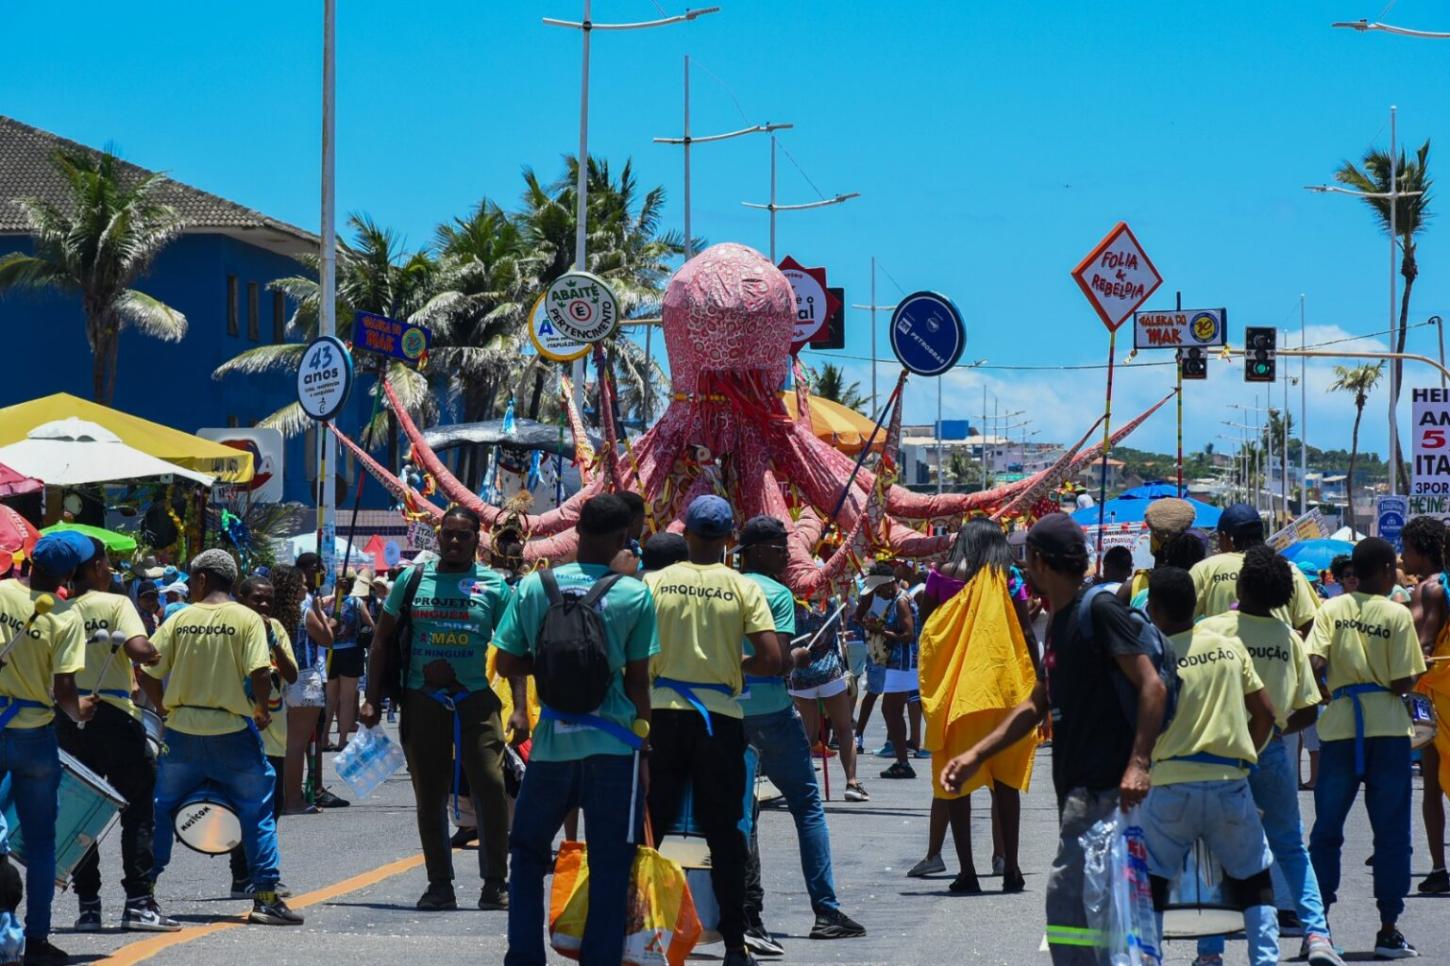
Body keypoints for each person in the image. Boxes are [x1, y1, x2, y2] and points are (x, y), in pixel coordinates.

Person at [938, 513, 1166, 965]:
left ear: (1040, 561)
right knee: (1077, 922)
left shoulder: (1098, 612)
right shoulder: (1061, 621)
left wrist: (1138, 763)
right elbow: (1034, 704)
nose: (1022, 565)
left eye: (1026, 557)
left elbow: (1152, 686)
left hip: (1110, 797)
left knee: (1107, 923)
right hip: (1078, 796)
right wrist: (974, 755)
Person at [494, 494, 657, 966]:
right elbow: (638, 680)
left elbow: (505, 662)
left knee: (526, 853)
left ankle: (524, 955)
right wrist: (644, 746)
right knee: (610, 861)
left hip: (550, 750)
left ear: (579, 531)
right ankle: (600, 958)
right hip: (614, 748)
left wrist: (546, 666)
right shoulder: (632, 594)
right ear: (624, 537)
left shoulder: (534, 587)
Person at [644, 494, 784, 966]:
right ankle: (734, 944)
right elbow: (772, 658)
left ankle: (641, 934)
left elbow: (632, 649)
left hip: (662, 713)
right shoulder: (743, 588)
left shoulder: (655, 582)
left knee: (651, 827)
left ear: (685, 535)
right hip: (720, 718)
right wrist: (733, 667)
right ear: (728, 540)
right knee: (724, 835)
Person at [361, 506, 519, 912]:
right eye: (447, 534)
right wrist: (371, 697)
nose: (453, 541)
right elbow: (381, 642)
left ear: (476, 539)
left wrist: (520, 706)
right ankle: (439, 885)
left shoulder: (495, 587)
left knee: (491, 786)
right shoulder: (412, 580)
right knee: (429, 796)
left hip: (476, 700)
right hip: (422, 700)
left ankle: (495, 884)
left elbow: (515, 649)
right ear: (438, 534)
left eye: (463, 535)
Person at [1193, 547, 1343, 966]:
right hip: (1271, 751)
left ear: (1240, 585)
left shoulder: (1212, 628)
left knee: (1215, 850)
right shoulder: (1289, 638)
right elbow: (1310, 708)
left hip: (1219, 754)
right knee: (1291, 847)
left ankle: (1210, 952)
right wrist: (1274, 729)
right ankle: (1317, 935)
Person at [141, 549, 301, 926]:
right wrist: (261, 709)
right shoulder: (248, 619)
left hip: (181, 731)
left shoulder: (180, 619)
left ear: (199, 580)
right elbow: (261, 672)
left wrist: (164, 707)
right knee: (257, 812)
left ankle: (144, 894)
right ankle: (265, 898)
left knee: (161, 809)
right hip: (232, 730)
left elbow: (146, 668)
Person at [735, 515, 865, 954]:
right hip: (771, 711)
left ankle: (746, 912)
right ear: (757, 551)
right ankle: (825, 911)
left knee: (742, 814)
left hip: (729, 712)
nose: (786, 555)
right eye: (779, 547)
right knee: (807, 806)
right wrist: (799, 654)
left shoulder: (725, 587)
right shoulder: (777, 594)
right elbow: (778, 661)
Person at [1141, 566, 1281, 966]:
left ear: (1155, 609)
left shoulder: (1153, 656)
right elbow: (1266, 713)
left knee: (1150, 886)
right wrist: (1244, 757)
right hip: (1229, 782)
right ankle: (1265, 960)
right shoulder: (1228, 647)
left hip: (1169, 786)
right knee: (1254, 883)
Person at [1306, 537, 1426, 958]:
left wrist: (1330, 687)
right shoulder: (1396, 613)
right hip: (1389, 731)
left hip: (1340, 727)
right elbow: (1403, 681)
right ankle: (1388, 929)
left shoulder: (1331, 608)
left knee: (1326, 832)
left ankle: (1319, 930)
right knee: (1392, 833)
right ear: (1383, 571)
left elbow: (1314, 663)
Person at [57, 538, 177, 932]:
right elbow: (140, 648)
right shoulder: (117, 603)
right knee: (138, 809)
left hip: (71, 719)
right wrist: (150, 653)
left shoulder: (60, 610)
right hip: (116, 719)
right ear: (94, 568)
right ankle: (139, 903)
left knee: (82, 815)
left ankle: (88, 907)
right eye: (106, 562)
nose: (109, 569)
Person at [914, 519, 1038, 894]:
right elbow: (1026, 633)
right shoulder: (1009, 577)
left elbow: (928, 631)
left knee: (957, 785)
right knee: (1006, 784)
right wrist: (1039, 685)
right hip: (1003, 693)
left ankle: (967, 872)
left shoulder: (941, 575)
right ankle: (1011, 869)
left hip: (959, 698)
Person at [0, 533, 97, 965]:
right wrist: (82, 710)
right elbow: (64, 691)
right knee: (41, 845)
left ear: (31, 558)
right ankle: (36, 940)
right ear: (71, 574)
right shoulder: (66, 617)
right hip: (35, 737)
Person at [227, 575, 298, 899]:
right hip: (238, 731)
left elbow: (292, 674)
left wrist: (272, 640)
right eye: (257, 599)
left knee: (273, 807)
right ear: (241, 599)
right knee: (243, 807)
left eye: (268, 599)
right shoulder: (231, 629)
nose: (264, 605)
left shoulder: (276, 629)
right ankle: (244, 875)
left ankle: (258, 871)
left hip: (274, 734)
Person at [1401, 515, 1450, 896]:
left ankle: (1438, 868)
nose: (1403, 556)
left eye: (1406, 547)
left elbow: (1424, 647)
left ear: (1420, 550)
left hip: (1437, 695)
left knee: (1433, 783)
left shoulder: (1430, 589)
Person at [1191, 503, 1318, 634]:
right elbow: (1310, 625)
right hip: (1278, 650)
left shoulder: (1205, 569)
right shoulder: (1287, 570)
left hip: (1223, 651)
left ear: (1224, 537)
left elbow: (1179, 619)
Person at [787, 595, 862, 802]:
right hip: (829, 673)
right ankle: (852, 783)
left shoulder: (791, 603)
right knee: (844, 728)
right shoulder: (830, 602)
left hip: (801, 674)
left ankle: (803, 787)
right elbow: (852, 610)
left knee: (806, 737)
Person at [273, 563, 328, 813]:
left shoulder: (268, 612)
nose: (306, 588)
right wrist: (322, 614)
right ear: (293, 587)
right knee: (296, 744)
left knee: (279, 743)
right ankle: (292, 799)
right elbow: (327, 640)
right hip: (303, 678)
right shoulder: (305, 610)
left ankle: (279, 795)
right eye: (303, 584)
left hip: (275, 678)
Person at [854, 562, 918, 779]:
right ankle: (902, 761)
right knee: (892, 711)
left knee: (891, 711)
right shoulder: (898, 599)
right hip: (898, 664)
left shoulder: (901, 602)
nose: (879, 594)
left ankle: (903, 761)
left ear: (889, 584)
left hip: (902, 663)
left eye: (879, 589)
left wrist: (880, 630)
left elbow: (908, 634)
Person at [322, 570, 372, 751]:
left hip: (330, 654)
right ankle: (342, 739)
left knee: (330, 699)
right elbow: (370, 625)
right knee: (347, 700)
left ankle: (324, 737)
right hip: (350, 653)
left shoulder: (325, 602)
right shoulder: (356, 602)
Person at [609, 491, 648, 576]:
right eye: (641, 520)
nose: (644, 524)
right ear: (634, 521)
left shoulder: (592, 546)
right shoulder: (632, 559)